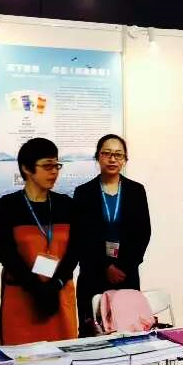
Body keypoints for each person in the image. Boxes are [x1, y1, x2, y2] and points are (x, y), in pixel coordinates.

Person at [0, 138, 78, 345]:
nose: (54, 172)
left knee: (63, 356)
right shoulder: (7, 207)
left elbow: (76, 249)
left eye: (56, 166)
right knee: (22, 358)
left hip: (59, 294)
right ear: (26, 168)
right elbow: (7, 255)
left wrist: (56, 283)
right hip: (22, 296)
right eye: (47, 166)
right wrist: (36, 288)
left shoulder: (66, 205)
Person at [74, 134, 152, 335]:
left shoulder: (136, 191)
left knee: (128, 331)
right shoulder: (83, 193)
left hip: (127, 275)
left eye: (118, 155)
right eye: (107, 153)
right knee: (93, 334)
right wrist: (105, 267)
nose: (112, 159)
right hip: (92, 274)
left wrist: (123, 266)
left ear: (125, 159)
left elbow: (143, 233)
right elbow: (81, 237)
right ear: (97, 157)